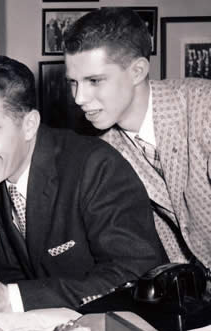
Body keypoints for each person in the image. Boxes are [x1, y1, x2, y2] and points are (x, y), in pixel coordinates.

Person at [0, 56, 166, 312]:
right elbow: (14, 272)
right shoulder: (5, 168)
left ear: (30, 125)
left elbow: (135, 275)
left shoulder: (96, 166)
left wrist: (9, 298)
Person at [64, 7, 211, 270]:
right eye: (73, 82)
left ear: (137, 71)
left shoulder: (205, 110)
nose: (79, 98)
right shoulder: (100, 145)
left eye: (94, 81)